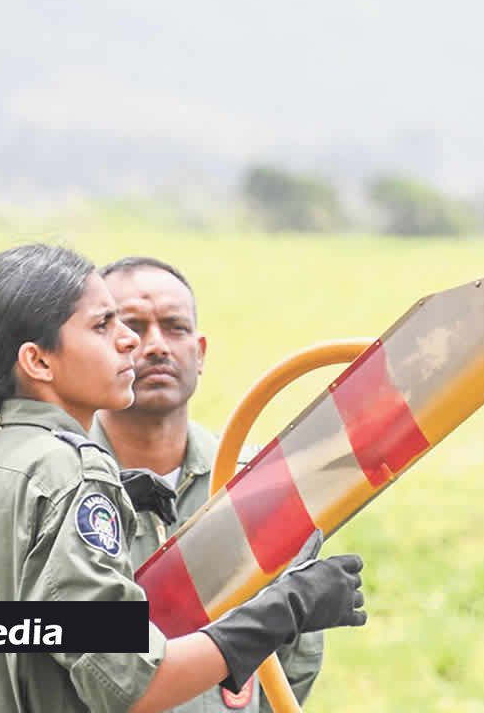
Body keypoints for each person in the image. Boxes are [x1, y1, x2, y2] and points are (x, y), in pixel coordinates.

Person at [0, 244, 367, 712]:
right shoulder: (68, 471)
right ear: (39, 362)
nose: (131, 341)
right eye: (102, 326)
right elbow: (131, 682)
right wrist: (288, 607)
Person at [90, 256, 325, 712]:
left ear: (199, 353)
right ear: (98, 346)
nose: (156, 346)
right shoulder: (47, 483)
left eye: (175, 328)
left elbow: (299, 654)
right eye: (134, 327)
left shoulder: (258, 485)